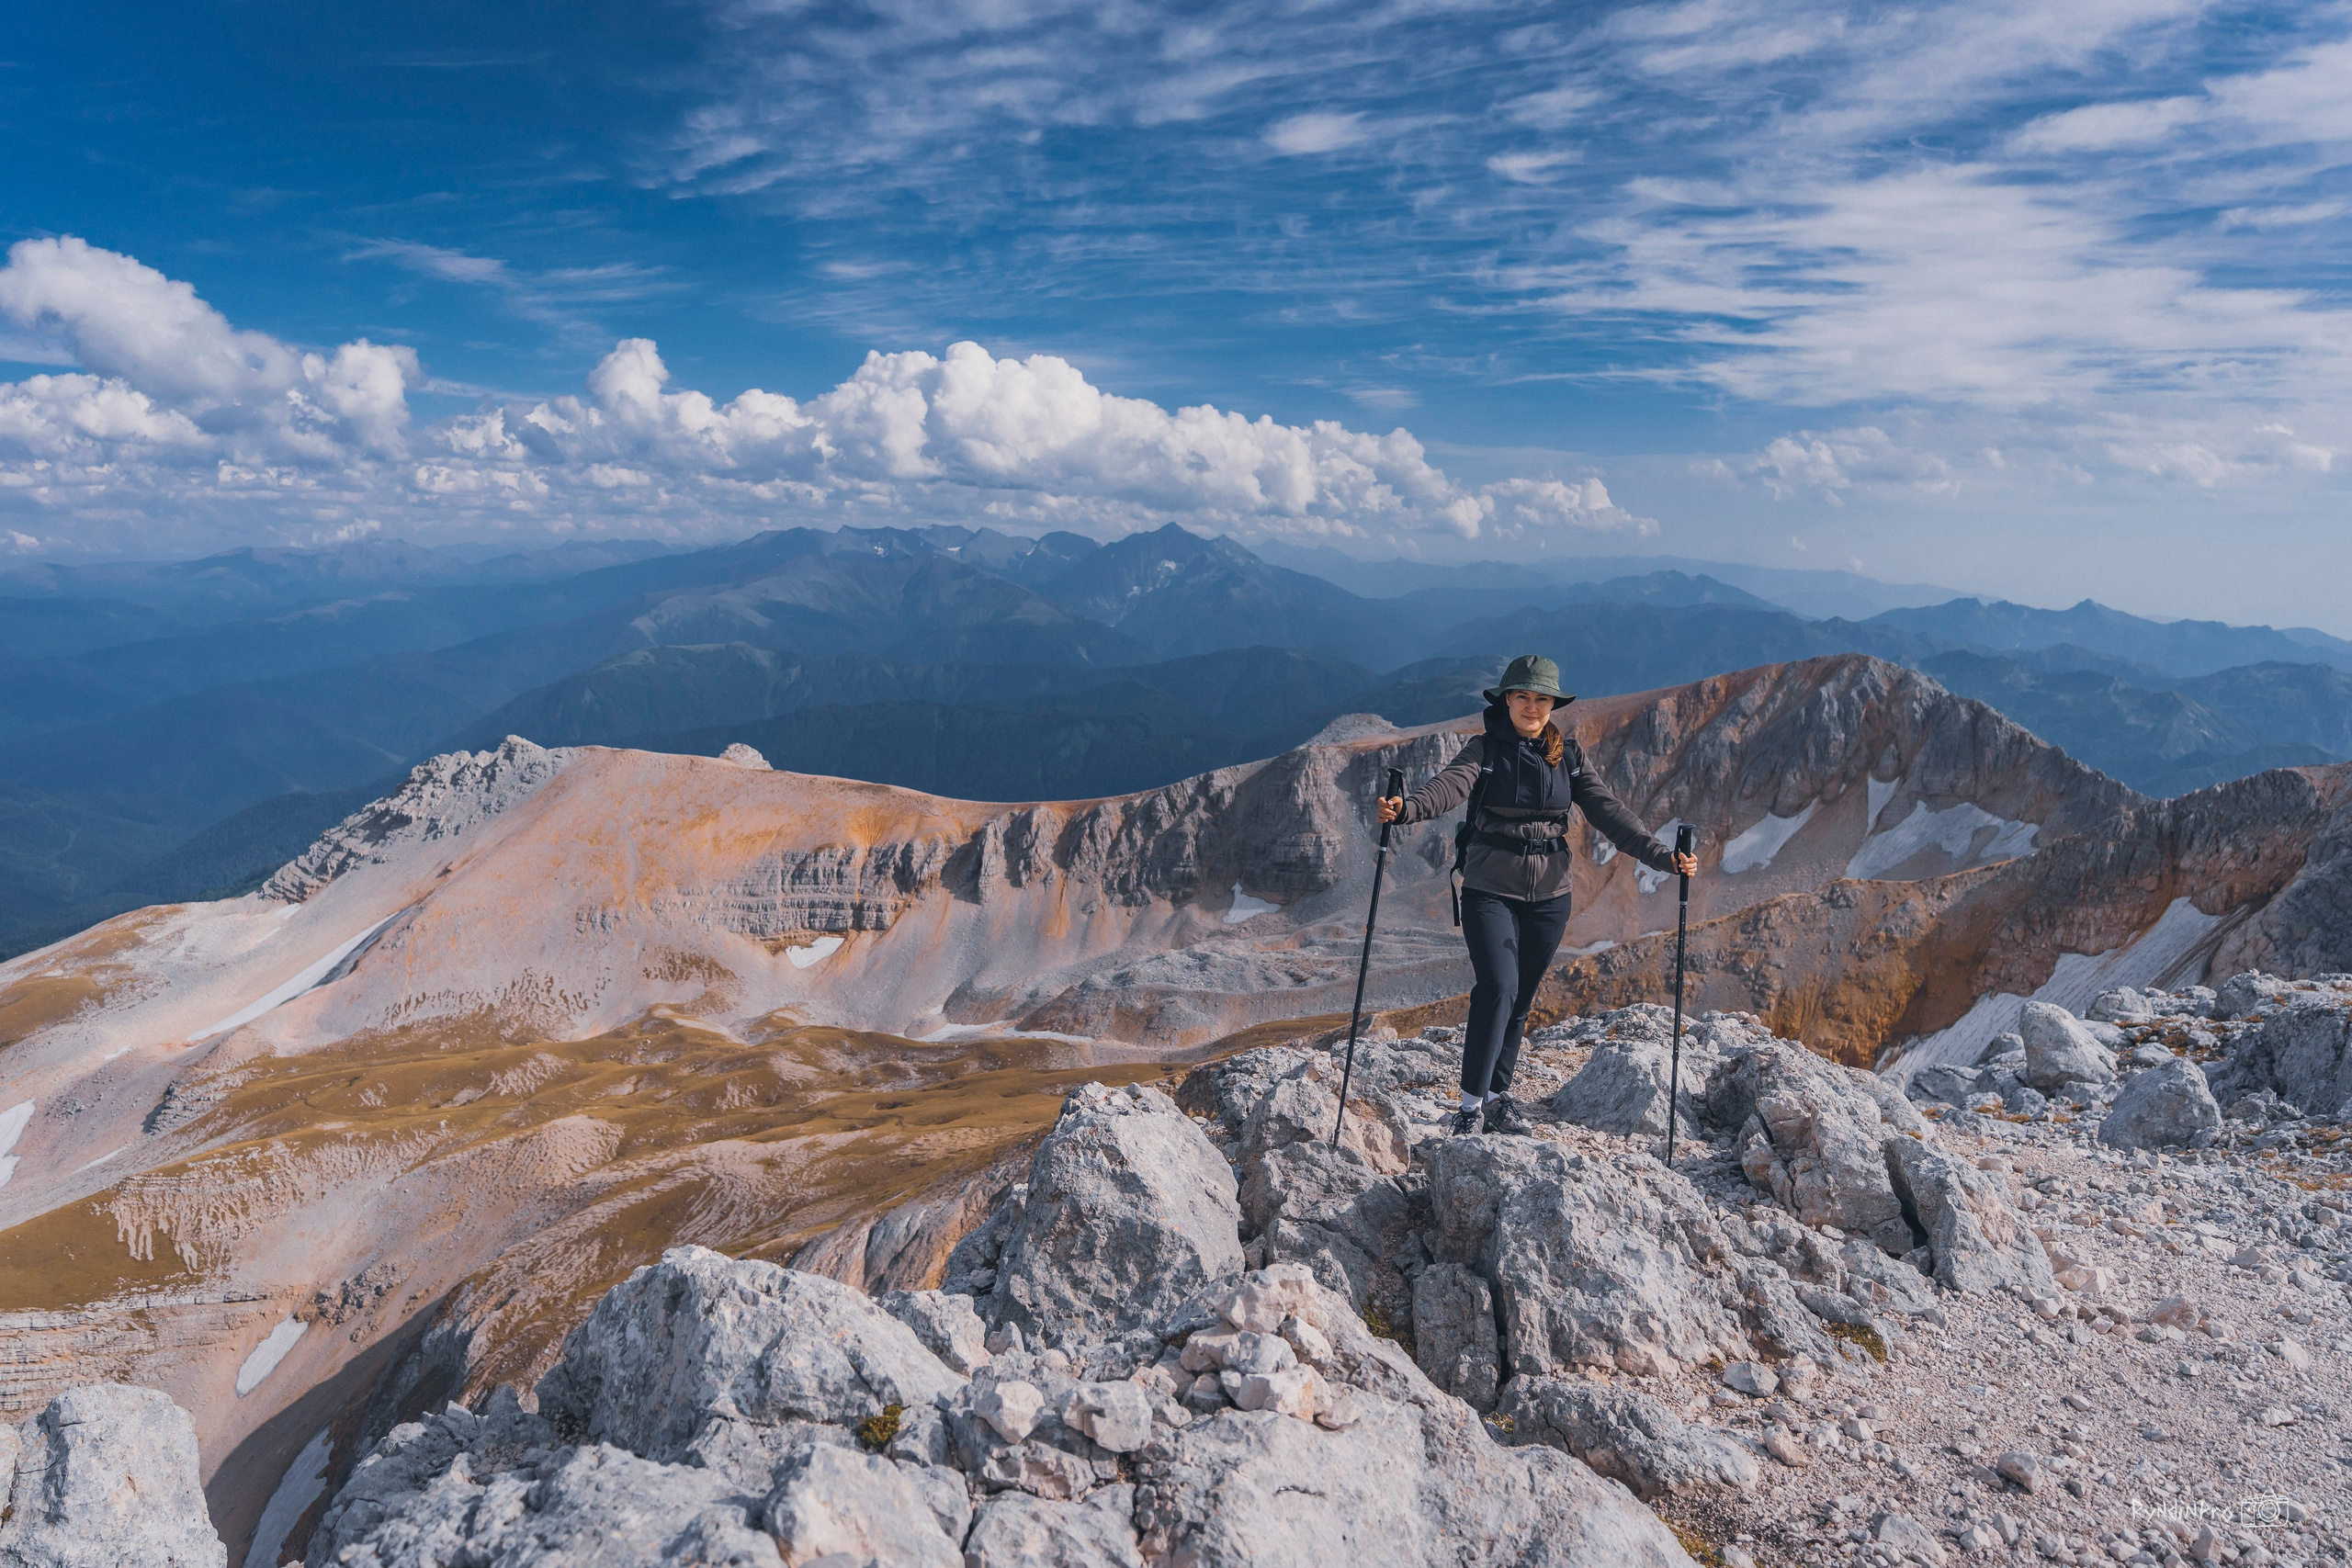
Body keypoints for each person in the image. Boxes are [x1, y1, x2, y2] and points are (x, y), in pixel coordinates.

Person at [1378, 654, 1696, 1136]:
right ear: (1506, 700)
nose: (1532, 706)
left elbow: (1610, 813)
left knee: (1521, 996)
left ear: (1553, 704)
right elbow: (1448, 788)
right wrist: (1407, 809)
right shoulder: (1484, 751)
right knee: (1498, 987)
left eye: (1541, 699)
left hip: (1551, 895)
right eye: (1523, 697)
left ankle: (1497, 1097)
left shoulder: (1568, 756)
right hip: (1490, 889)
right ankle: (1470, 1108)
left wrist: (1663, 857)